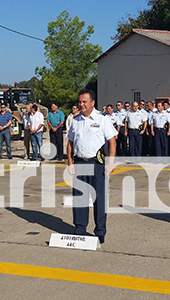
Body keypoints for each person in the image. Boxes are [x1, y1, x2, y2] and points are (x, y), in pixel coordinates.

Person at [66, 89, 117, 244]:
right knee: (80, 198)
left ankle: (100, 231)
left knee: (99, 199)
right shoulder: (76, 120)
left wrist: (111, 162)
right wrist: (69, 162)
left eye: (84, 102)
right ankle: (80, 228)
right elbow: (70, 142)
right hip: (80, 162)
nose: (81, 104)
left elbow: (112, 140)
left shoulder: (102, 119)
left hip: (97, 164)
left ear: (92, 103)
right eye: (79, 102)